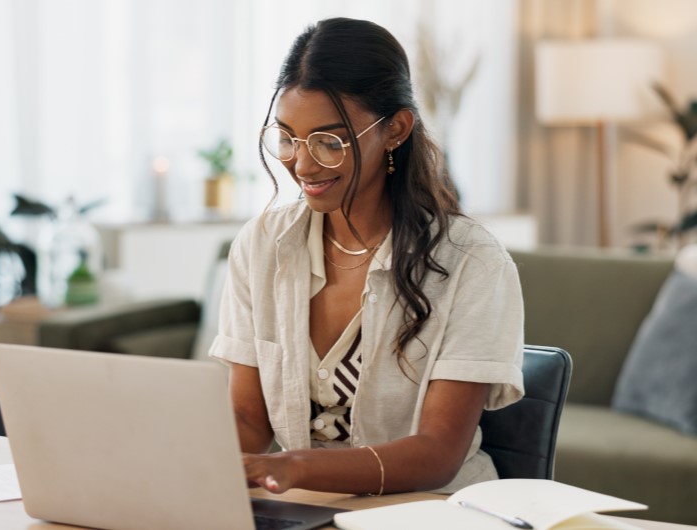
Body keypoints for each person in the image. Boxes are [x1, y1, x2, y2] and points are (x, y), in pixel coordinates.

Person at [208, 17, 524, 496]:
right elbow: (249, 418)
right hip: (304, 504)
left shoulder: (473, 261)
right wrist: (175, 453)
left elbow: (438, 453)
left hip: (430, 510)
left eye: (329, 141)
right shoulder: (262, 245)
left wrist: (298, 468)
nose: (303, 163)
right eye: (288, 137)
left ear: (395, 129)